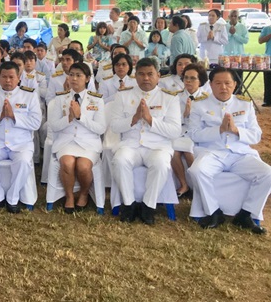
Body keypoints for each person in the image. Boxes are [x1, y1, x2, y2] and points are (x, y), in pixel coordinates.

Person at [187, 67, 271, 234]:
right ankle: (213, 212)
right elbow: (194, 134)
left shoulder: (245, 104)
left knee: (267, 173)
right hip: (213, 152)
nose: (223, 87)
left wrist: (236, 130)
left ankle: (246, 213)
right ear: (211, 84)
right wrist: (219, 130)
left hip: (240, 154)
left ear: (235, 85)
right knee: (196, 171)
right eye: (218, 83)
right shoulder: (199, 104)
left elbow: (256, 135)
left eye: (227, 83)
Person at [109, 57, 182, 224]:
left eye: (150, 74)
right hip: (131, 145)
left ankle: (148, 206)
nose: (146, 78)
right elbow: (115, 126)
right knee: (120, 160)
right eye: (141, 74)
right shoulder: (123, 95)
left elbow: (174, 131)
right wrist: (134, 119)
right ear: (135, 76)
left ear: (158, 76)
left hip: (157, 146)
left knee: (161, 164)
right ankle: (128, 205)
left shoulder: (169, 98)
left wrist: (150, 120)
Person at [0, 61, 42, 213]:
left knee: (24, 161)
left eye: (11, 77)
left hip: (21, 143)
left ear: (19, 78)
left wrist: (13, 116)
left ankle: (13, 198)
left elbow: (36, 123)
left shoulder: (29, 95)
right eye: (4, 77)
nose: (7, 80)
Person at [47, 63, 107, 212]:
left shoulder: (96, 100)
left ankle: (84, 193)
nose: (74, 78)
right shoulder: (61, 98)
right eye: (71, 74)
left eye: (78, 75)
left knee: (83, 166)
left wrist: (80, 117)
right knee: (67, 163)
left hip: (88, 143)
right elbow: (54, 126)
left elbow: (100, 128)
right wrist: (68, 118)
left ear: (87, 78)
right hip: (66, 141)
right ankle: (69, 196)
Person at [170, 62, 209, 198]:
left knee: (188, 150)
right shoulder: (175, 97)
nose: (188, 81)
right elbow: (171, 119)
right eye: (186, 78)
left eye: (193, 78)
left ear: (200, 81)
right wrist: (185, 114)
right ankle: (184, 184)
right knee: (174, 152)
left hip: (198, 132)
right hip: (180, 131)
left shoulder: (207, 98)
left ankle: (197, 186)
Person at [261, 20, 271, 107]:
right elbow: (260, 40)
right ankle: (267, 100)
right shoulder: (266, 29)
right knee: (268, 80)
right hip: (268, 57)